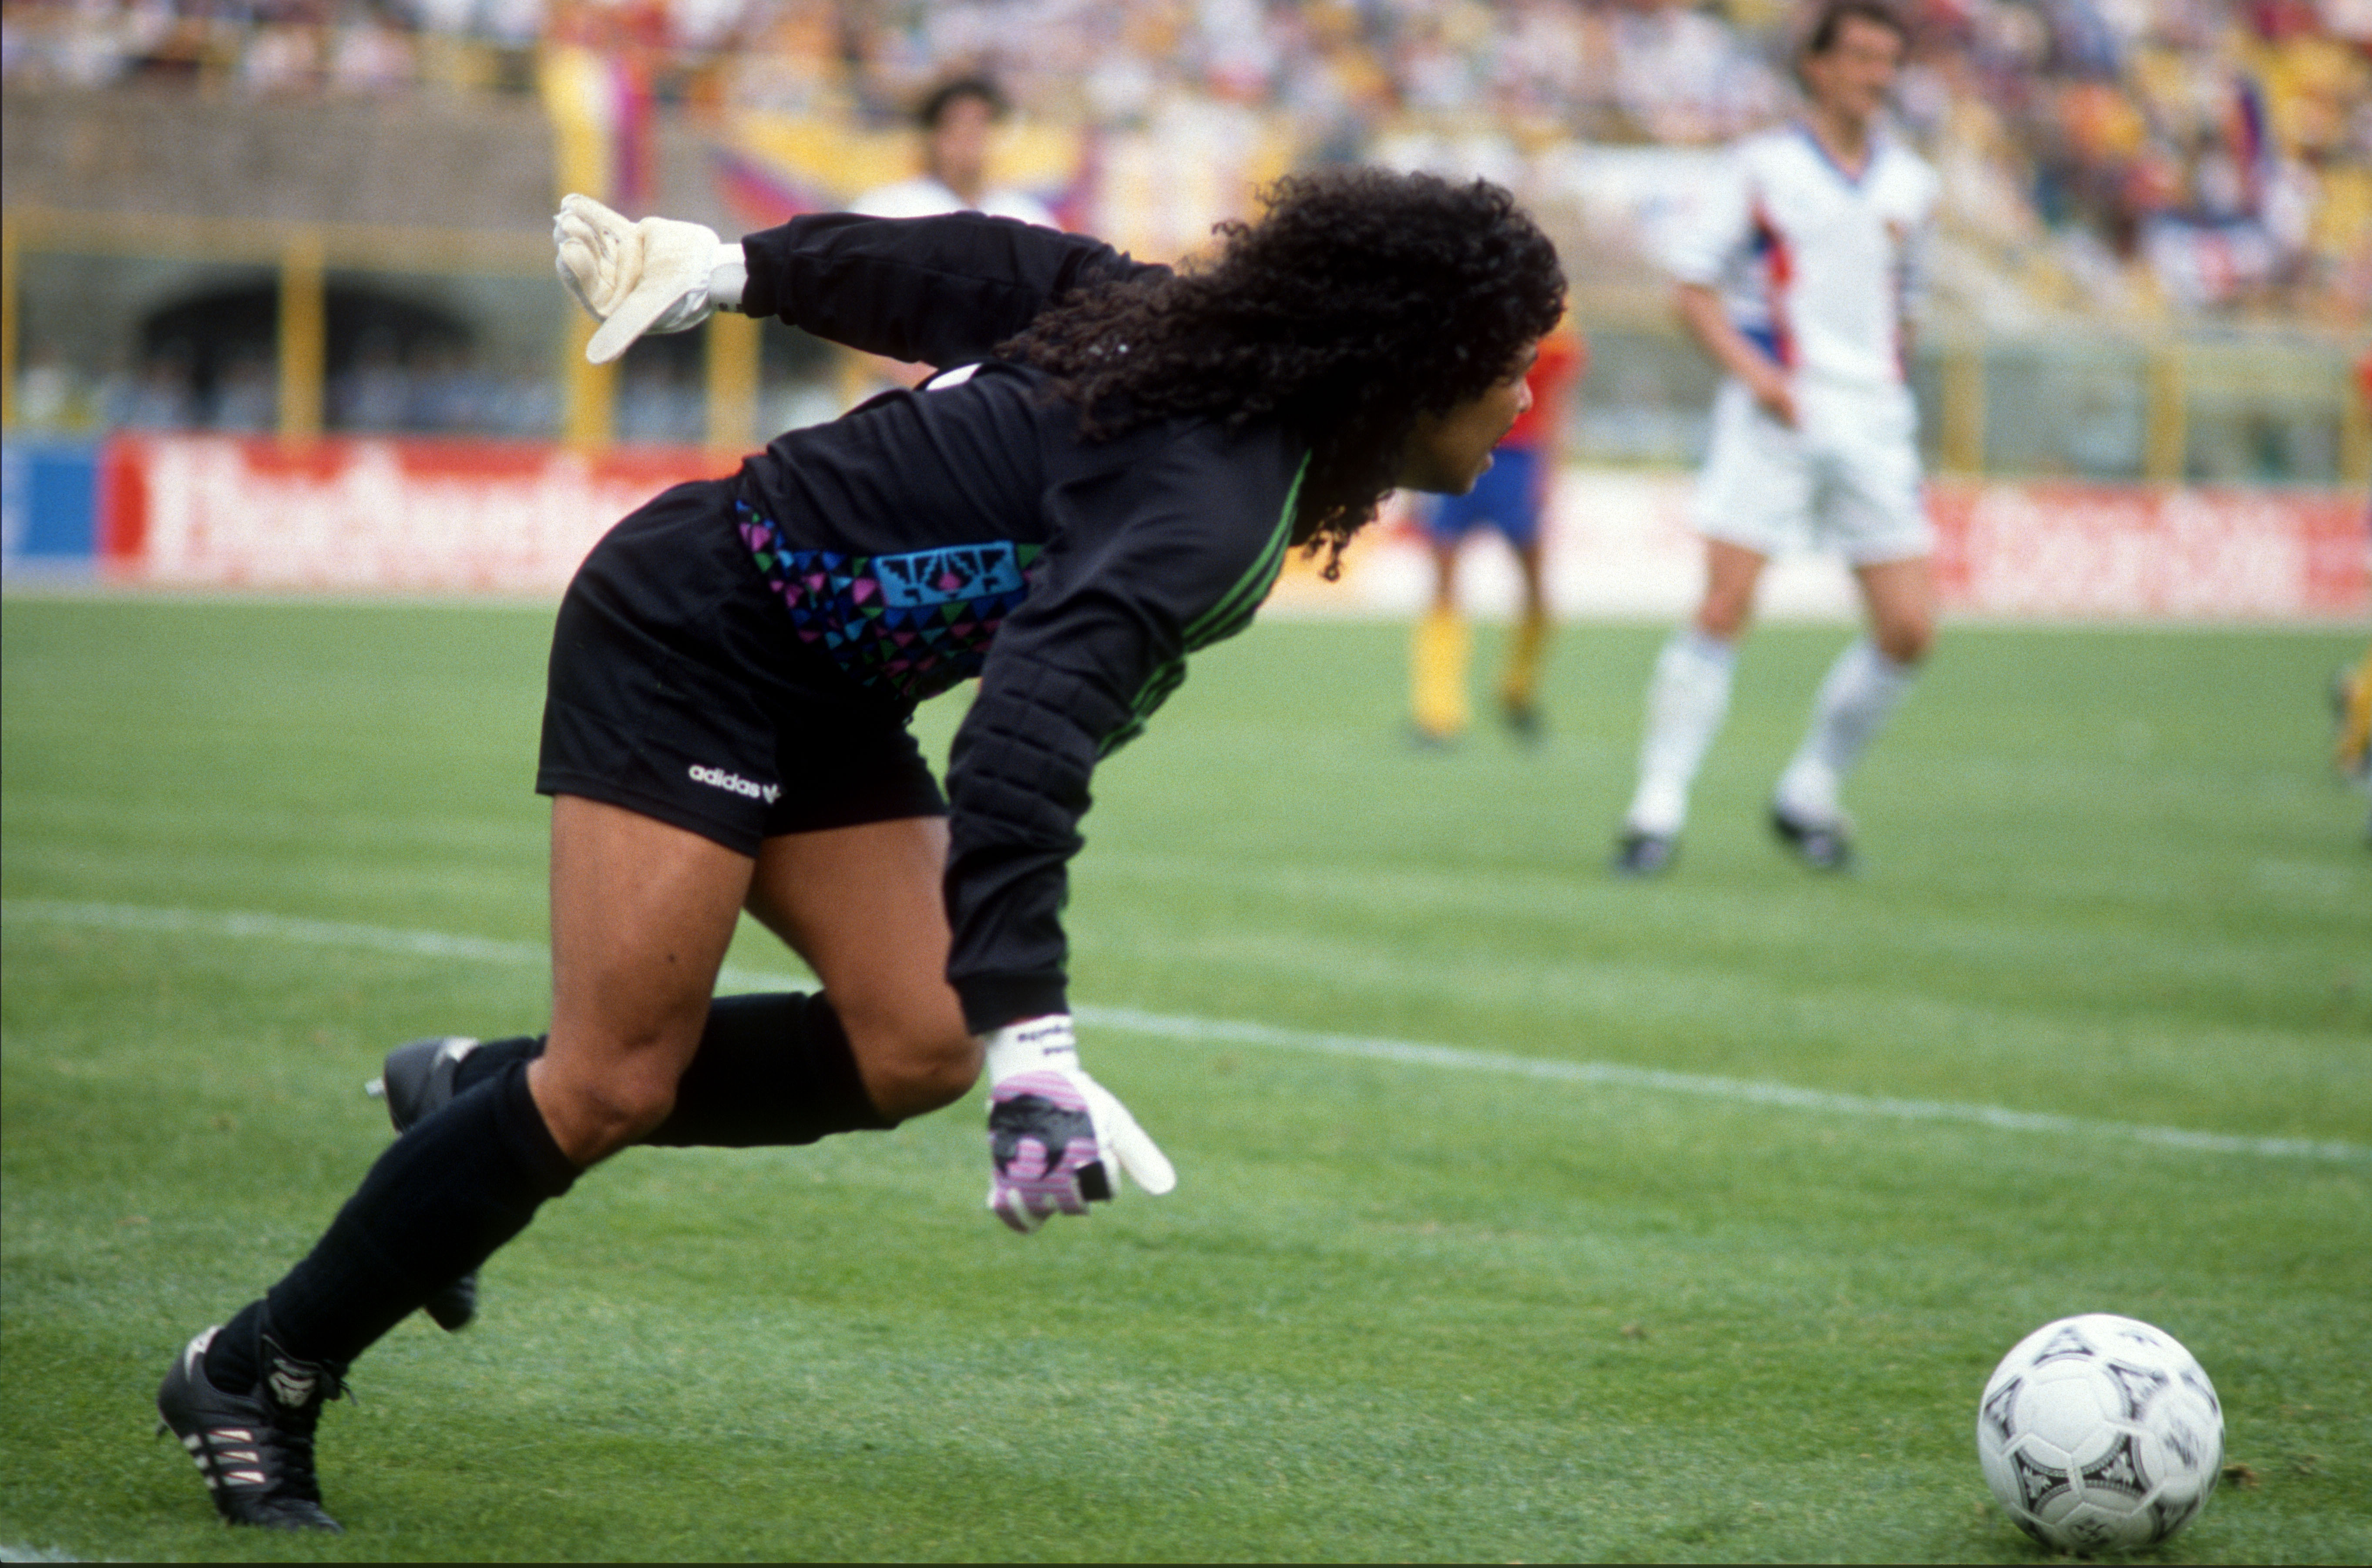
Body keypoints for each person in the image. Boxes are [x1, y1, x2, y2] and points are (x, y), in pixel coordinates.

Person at [152, 168, 1566, 1531]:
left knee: (916, 1040)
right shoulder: (1212, 494)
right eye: (1506, 362)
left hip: (825, 684)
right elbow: (1023, 739)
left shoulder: (1218, 392)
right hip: (691, 628)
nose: (1523, 396)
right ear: (1412, 360)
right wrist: (1043, 1046)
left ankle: (469, 1092)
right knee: (611, 1082)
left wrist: (739, 271)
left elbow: (986, 273)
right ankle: (256, 1368)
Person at [1611, 0, 1938, 876]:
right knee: (1723, 606)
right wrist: (1759, 379)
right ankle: (1655, 810)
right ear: (1817, 66)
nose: (1876, 73)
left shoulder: (1911, 184)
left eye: (1887, 59)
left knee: (1909, 627)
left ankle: (1808, 791)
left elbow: (1904, 308)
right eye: (1860, 56)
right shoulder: (1760, 167)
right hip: (1773, 413)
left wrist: (1882, 391)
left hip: (1871, 417)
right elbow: (1692, 287)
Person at [1408, 319, 1586, 744]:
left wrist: (1551, 473)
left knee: (1534, 583)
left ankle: (1518, 688)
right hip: (1457, 445)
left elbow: (1558, 402)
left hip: (1519, 459)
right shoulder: (1457, 307)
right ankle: (1438, 712)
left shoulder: (1555, 318)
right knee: (1443, 577)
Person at [847, 76, 1058, 397]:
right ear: (934, 134)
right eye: (959, 124)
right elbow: (848, 300)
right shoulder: (889, 207)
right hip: (902, 392)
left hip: (998, 396)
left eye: (983, 124)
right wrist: (898, 366)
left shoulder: (1027, 216)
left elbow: (1053, 312)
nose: (972, 136)